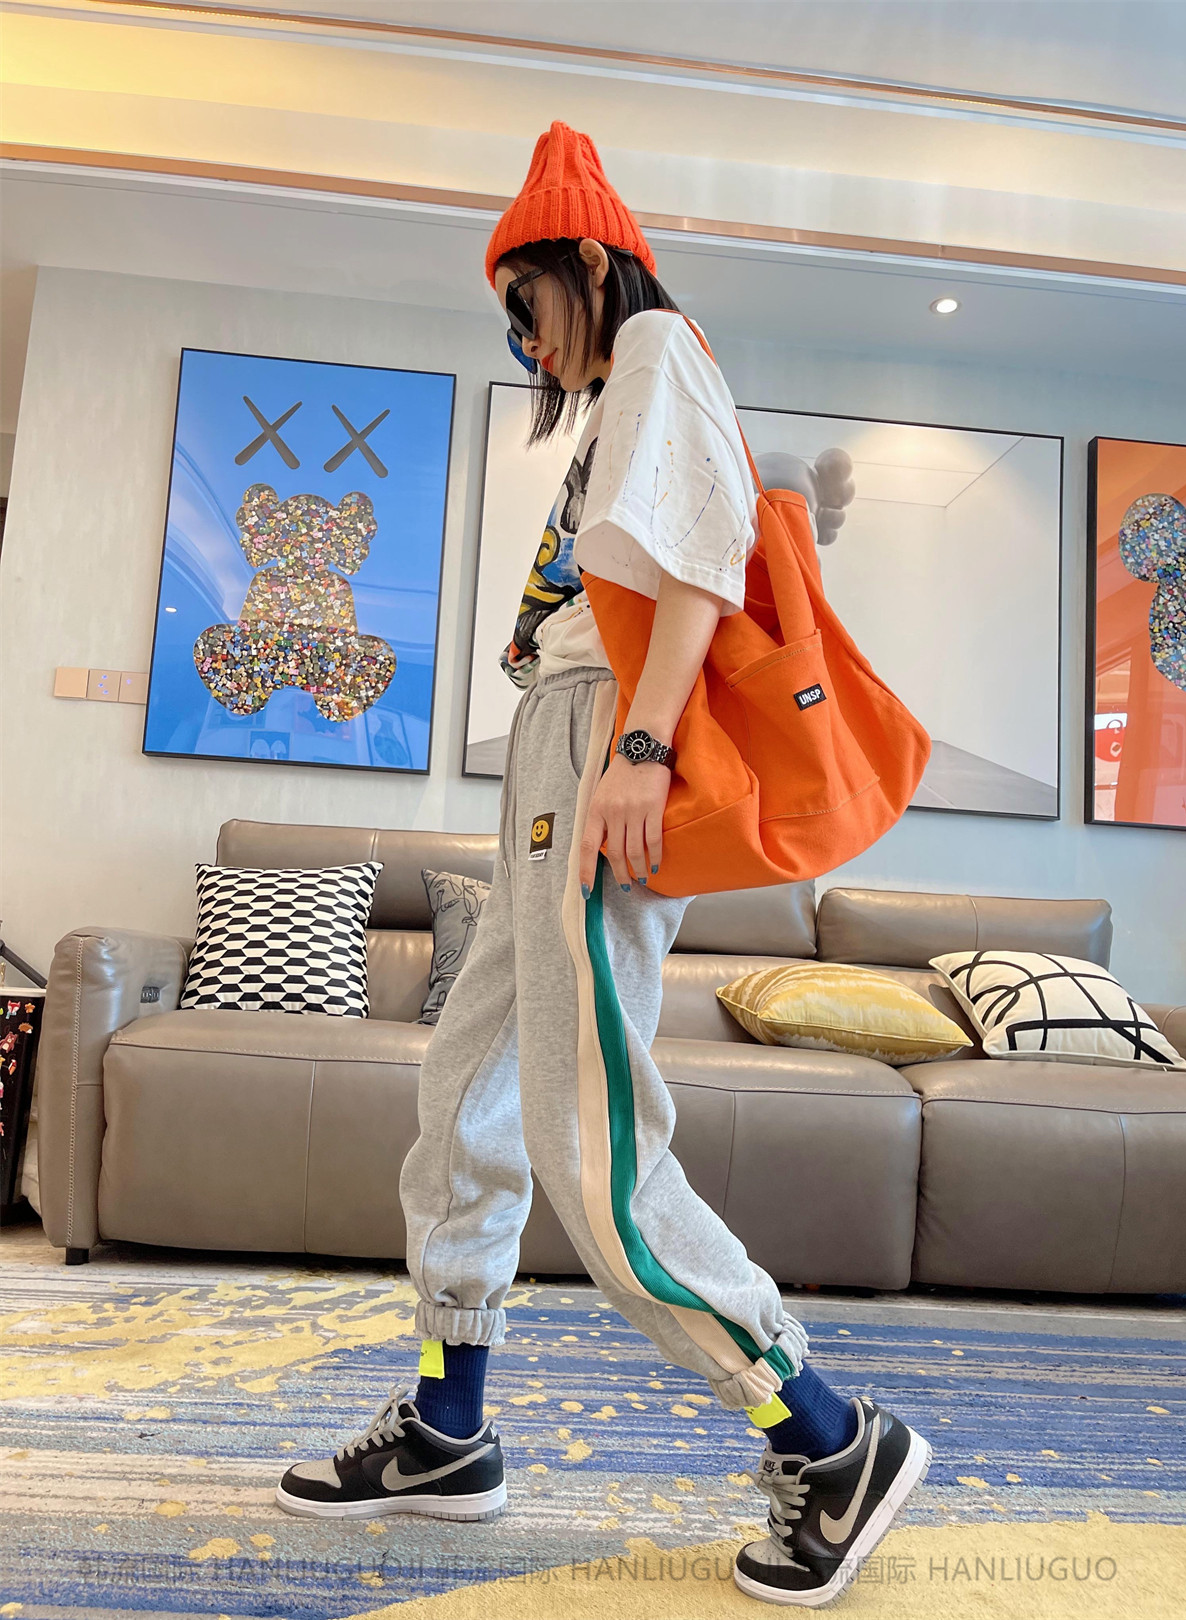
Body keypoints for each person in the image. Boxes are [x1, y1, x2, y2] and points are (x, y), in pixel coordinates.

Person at [277, 121, 931, 1608]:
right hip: (558, 739)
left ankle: (830, 1437)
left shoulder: (655, 350)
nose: (526, 341)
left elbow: (699, 565)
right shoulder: (619, 389)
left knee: (595, 1148)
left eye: (528, 303)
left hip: (600, 741)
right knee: (465, 1100)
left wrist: (638, 748)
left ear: (588, 260)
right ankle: (449, 1425)